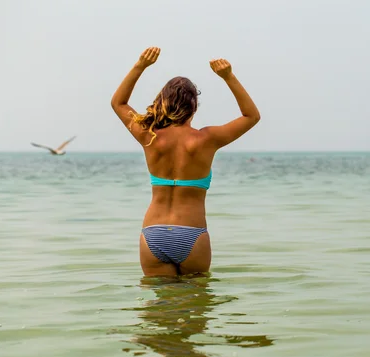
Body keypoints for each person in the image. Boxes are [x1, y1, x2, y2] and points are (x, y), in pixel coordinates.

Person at [111, 47, 260, 277]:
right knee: (197, 305)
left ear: (162, 102)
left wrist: (140, 65)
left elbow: (118, 103)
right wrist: (228, 76)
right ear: (194, 107)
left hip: (153, 233)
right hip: (192, 234)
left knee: (158, 309)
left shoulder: (148, 135)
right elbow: (251, 116)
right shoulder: (206, 139)